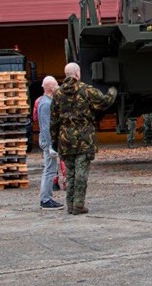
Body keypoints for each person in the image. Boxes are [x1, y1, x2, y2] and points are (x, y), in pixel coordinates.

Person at [49, 62, 117, 215]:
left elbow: (53, 121)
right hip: (84, 139)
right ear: (77, 74)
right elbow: (105, 102)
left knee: (70, 173)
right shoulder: (86, 90)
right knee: (81, 173)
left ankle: (70, 204)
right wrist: (113, 91)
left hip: (66, 140)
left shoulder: (58, 94)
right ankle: (78, 205)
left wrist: (54, 141)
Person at [36, 76, 64, 210]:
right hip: (48, 142)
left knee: (50, 170)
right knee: (49, 170)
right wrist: (50, 146)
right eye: (57, 85)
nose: (58, 87)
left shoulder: (47, 102)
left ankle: (46, 198)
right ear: (52, 88)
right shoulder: (46, 104)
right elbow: (46, 126)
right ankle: (46, 199)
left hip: (48, 141)